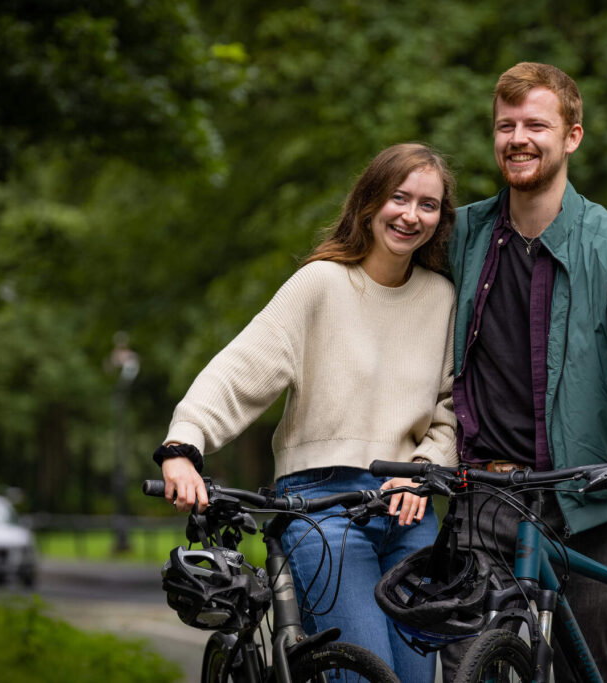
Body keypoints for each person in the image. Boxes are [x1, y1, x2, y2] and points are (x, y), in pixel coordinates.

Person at [152, 142, 458, 682]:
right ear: (368, 203)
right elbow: (239, 369)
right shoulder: (321, 284)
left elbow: (451, 407)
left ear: (440, 218)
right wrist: (183, 444)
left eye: (427, 205)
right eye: (399, 198)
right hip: (321, 508)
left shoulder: (441, 298)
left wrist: (423, 473)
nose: (411, 215)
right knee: (366, 676)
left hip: (410, 515)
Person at [441, 63, 607, 683]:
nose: (518, 138)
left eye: (535, 125)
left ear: (572, 136)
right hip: (485, 494)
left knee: (585, 670)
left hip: (584, 500)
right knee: (470, 665)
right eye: (505, 125)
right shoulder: (462, 234)